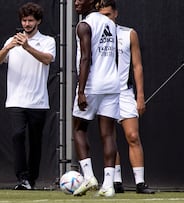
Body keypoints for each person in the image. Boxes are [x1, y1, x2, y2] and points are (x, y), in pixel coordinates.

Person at [0, 2, 56, 190]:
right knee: (17, 135)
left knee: (35, 142)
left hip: (38, 101)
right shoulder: (11, 41)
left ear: (38, 21)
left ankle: (32, 179)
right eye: (24, 20)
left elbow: (47, 59)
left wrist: (27, 47)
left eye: (30, 20)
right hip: (16, 100)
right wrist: (9, 47)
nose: (27, 24)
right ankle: (22, 178)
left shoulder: (47, 41)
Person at [98, 0, 155, 194]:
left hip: (124, 91)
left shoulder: (128, 33)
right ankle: (116, 181)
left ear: (115, 13)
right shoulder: (94, 34)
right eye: (101, 15)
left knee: (132, 135)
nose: (105, 18)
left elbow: (137, 66)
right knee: (109, 138)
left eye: (108, 14)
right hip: (104, 92)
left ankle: (140, 182)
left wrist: (140, 95)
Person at [72, 0, 120, 197]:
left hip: (92, 84)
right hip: (112, 83)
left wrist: (81, 91)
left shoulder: (85, 24)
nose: (76, 2)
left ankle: (89, 176)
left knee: (78, 128)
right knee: (108, 134)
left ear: (92, 2)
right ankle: (108, 185)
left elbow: (86, 58)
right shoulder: (111, 24)